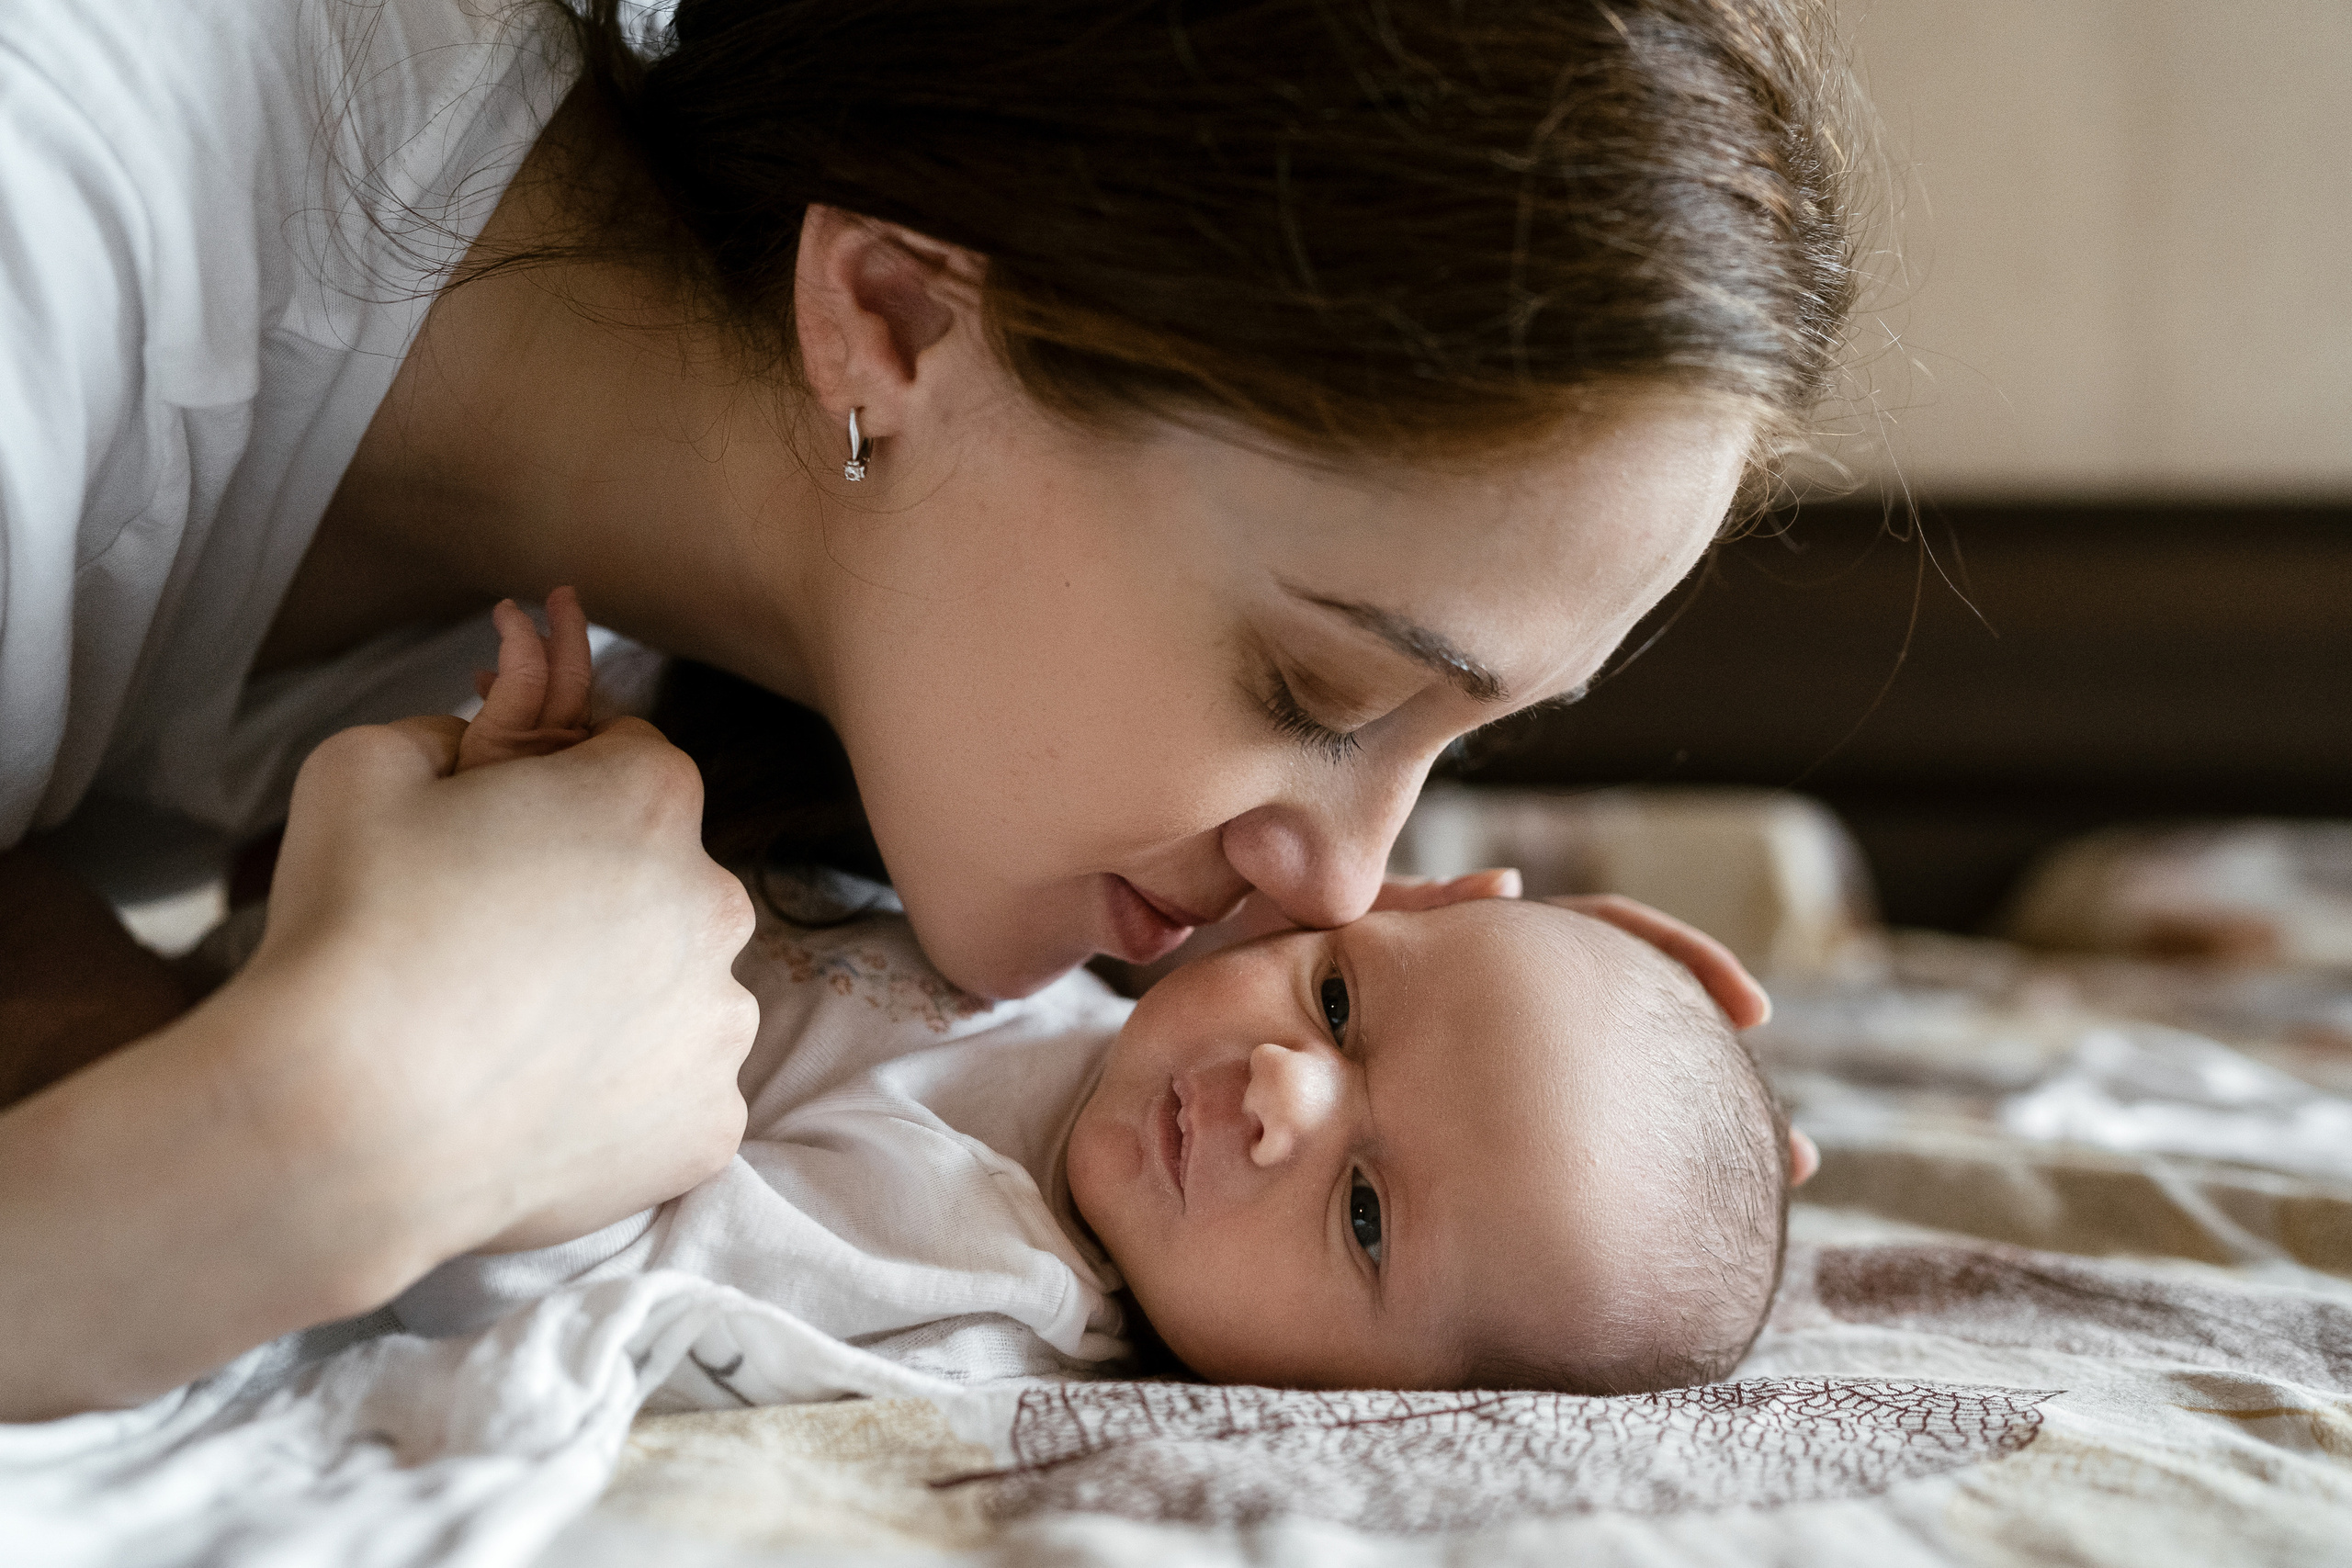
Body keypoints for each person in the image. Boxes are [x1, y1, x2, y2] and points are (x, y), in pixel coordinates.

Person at [0, 0, 1860, 1419]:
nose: (1330, 885)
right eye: (1312, 684)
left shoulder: (749, 669)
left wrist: (1551, 1118)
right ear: (893, 313)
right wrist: (339, 1122)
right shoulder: (54, 233)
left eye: (1448, 743)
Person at [396, 592, 1816, 1395]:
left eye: (1366, 1216)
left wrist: (510, 885)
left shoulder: (972, 1284)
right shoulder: (1095, 1020)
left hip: (390, 1061)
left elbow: (520, 1292)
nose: (1282, 1088)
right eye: (1336, 1002)